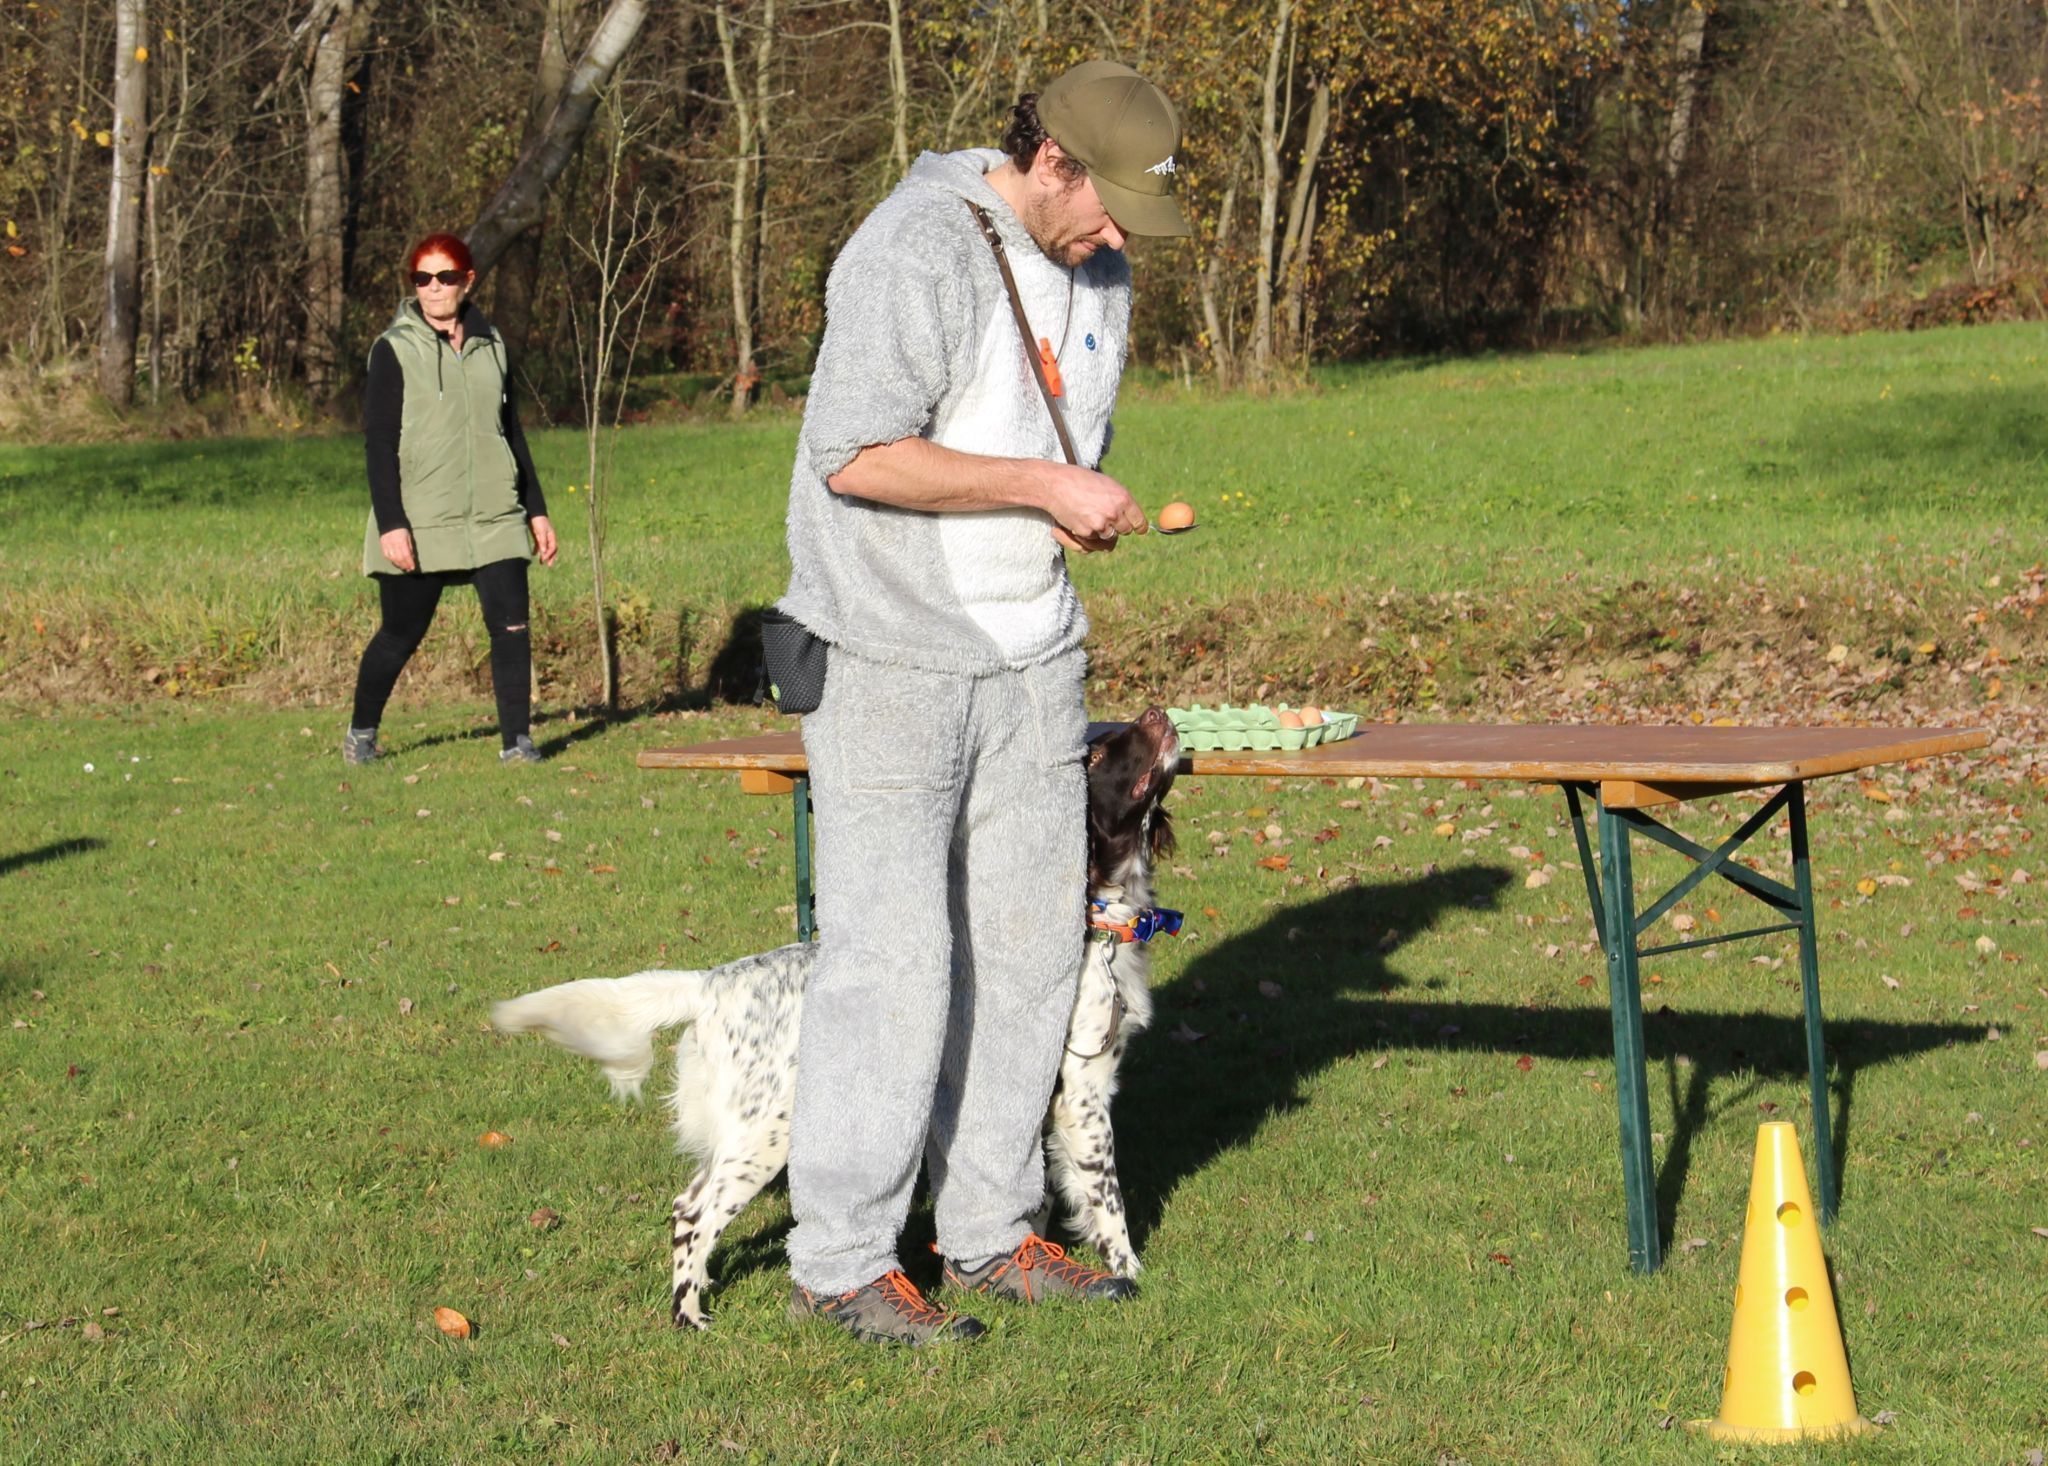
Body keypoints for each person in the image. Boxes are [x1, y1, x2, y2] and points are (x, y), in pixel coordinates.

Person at [776, 60, 1189, 1346]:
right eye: (1108, 205)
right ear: (1052, 161)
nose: (1120, 238)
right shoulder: (912, 249)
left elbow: (1051, 442)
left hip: (1033, 661)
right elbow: (856, 452)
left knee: (1022, 952)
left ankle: (991, 1232)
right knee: (895, 965)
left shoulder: (1104, 273)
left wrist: (1073, 505)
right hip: (888, 654)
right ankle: (843, 1257)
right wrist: (1037, 486)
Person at [344, 232, 558, 766]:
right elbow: (379, 444)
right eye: (422, 278)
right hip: (421, 515)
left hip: (494, 512)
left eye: (444, 277)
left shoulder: (493, 346)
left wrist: (536, 510)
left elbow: (511, 432)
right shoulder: (393, 350)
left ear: (468, 280)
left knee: (511, 626)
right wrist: (393, 523)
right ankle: (361, 734)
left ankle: (517, 743)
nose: (433, 288)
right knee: (400, 632)